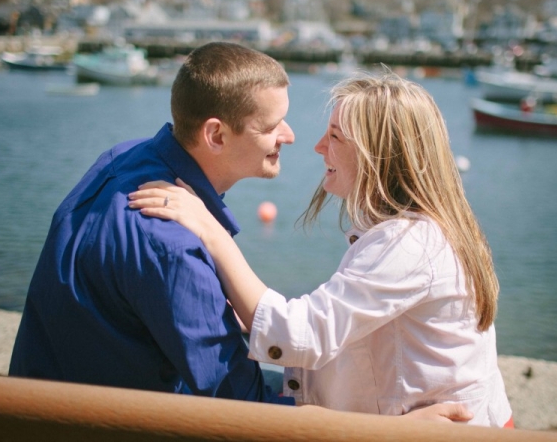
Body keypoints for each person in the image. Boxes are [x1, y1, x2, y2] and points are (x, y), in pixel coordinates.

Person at [9, 42, 471, 422]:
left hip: (40, 411)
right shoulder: (170, 244)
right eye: (271, 126)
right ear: (216, 135)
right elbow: (243, 410)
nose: (291, 137)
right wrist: (385, 433)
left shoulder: (119, 160)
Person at [128, 72, 514, 427]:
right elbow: (345, 320)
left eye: (335, 137)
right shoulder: (423, 230)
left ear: (378, 155)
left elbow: (301, 336)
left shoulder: (410, 243)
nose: (317, 147)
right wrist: (247, 316)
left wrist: (211, 230)